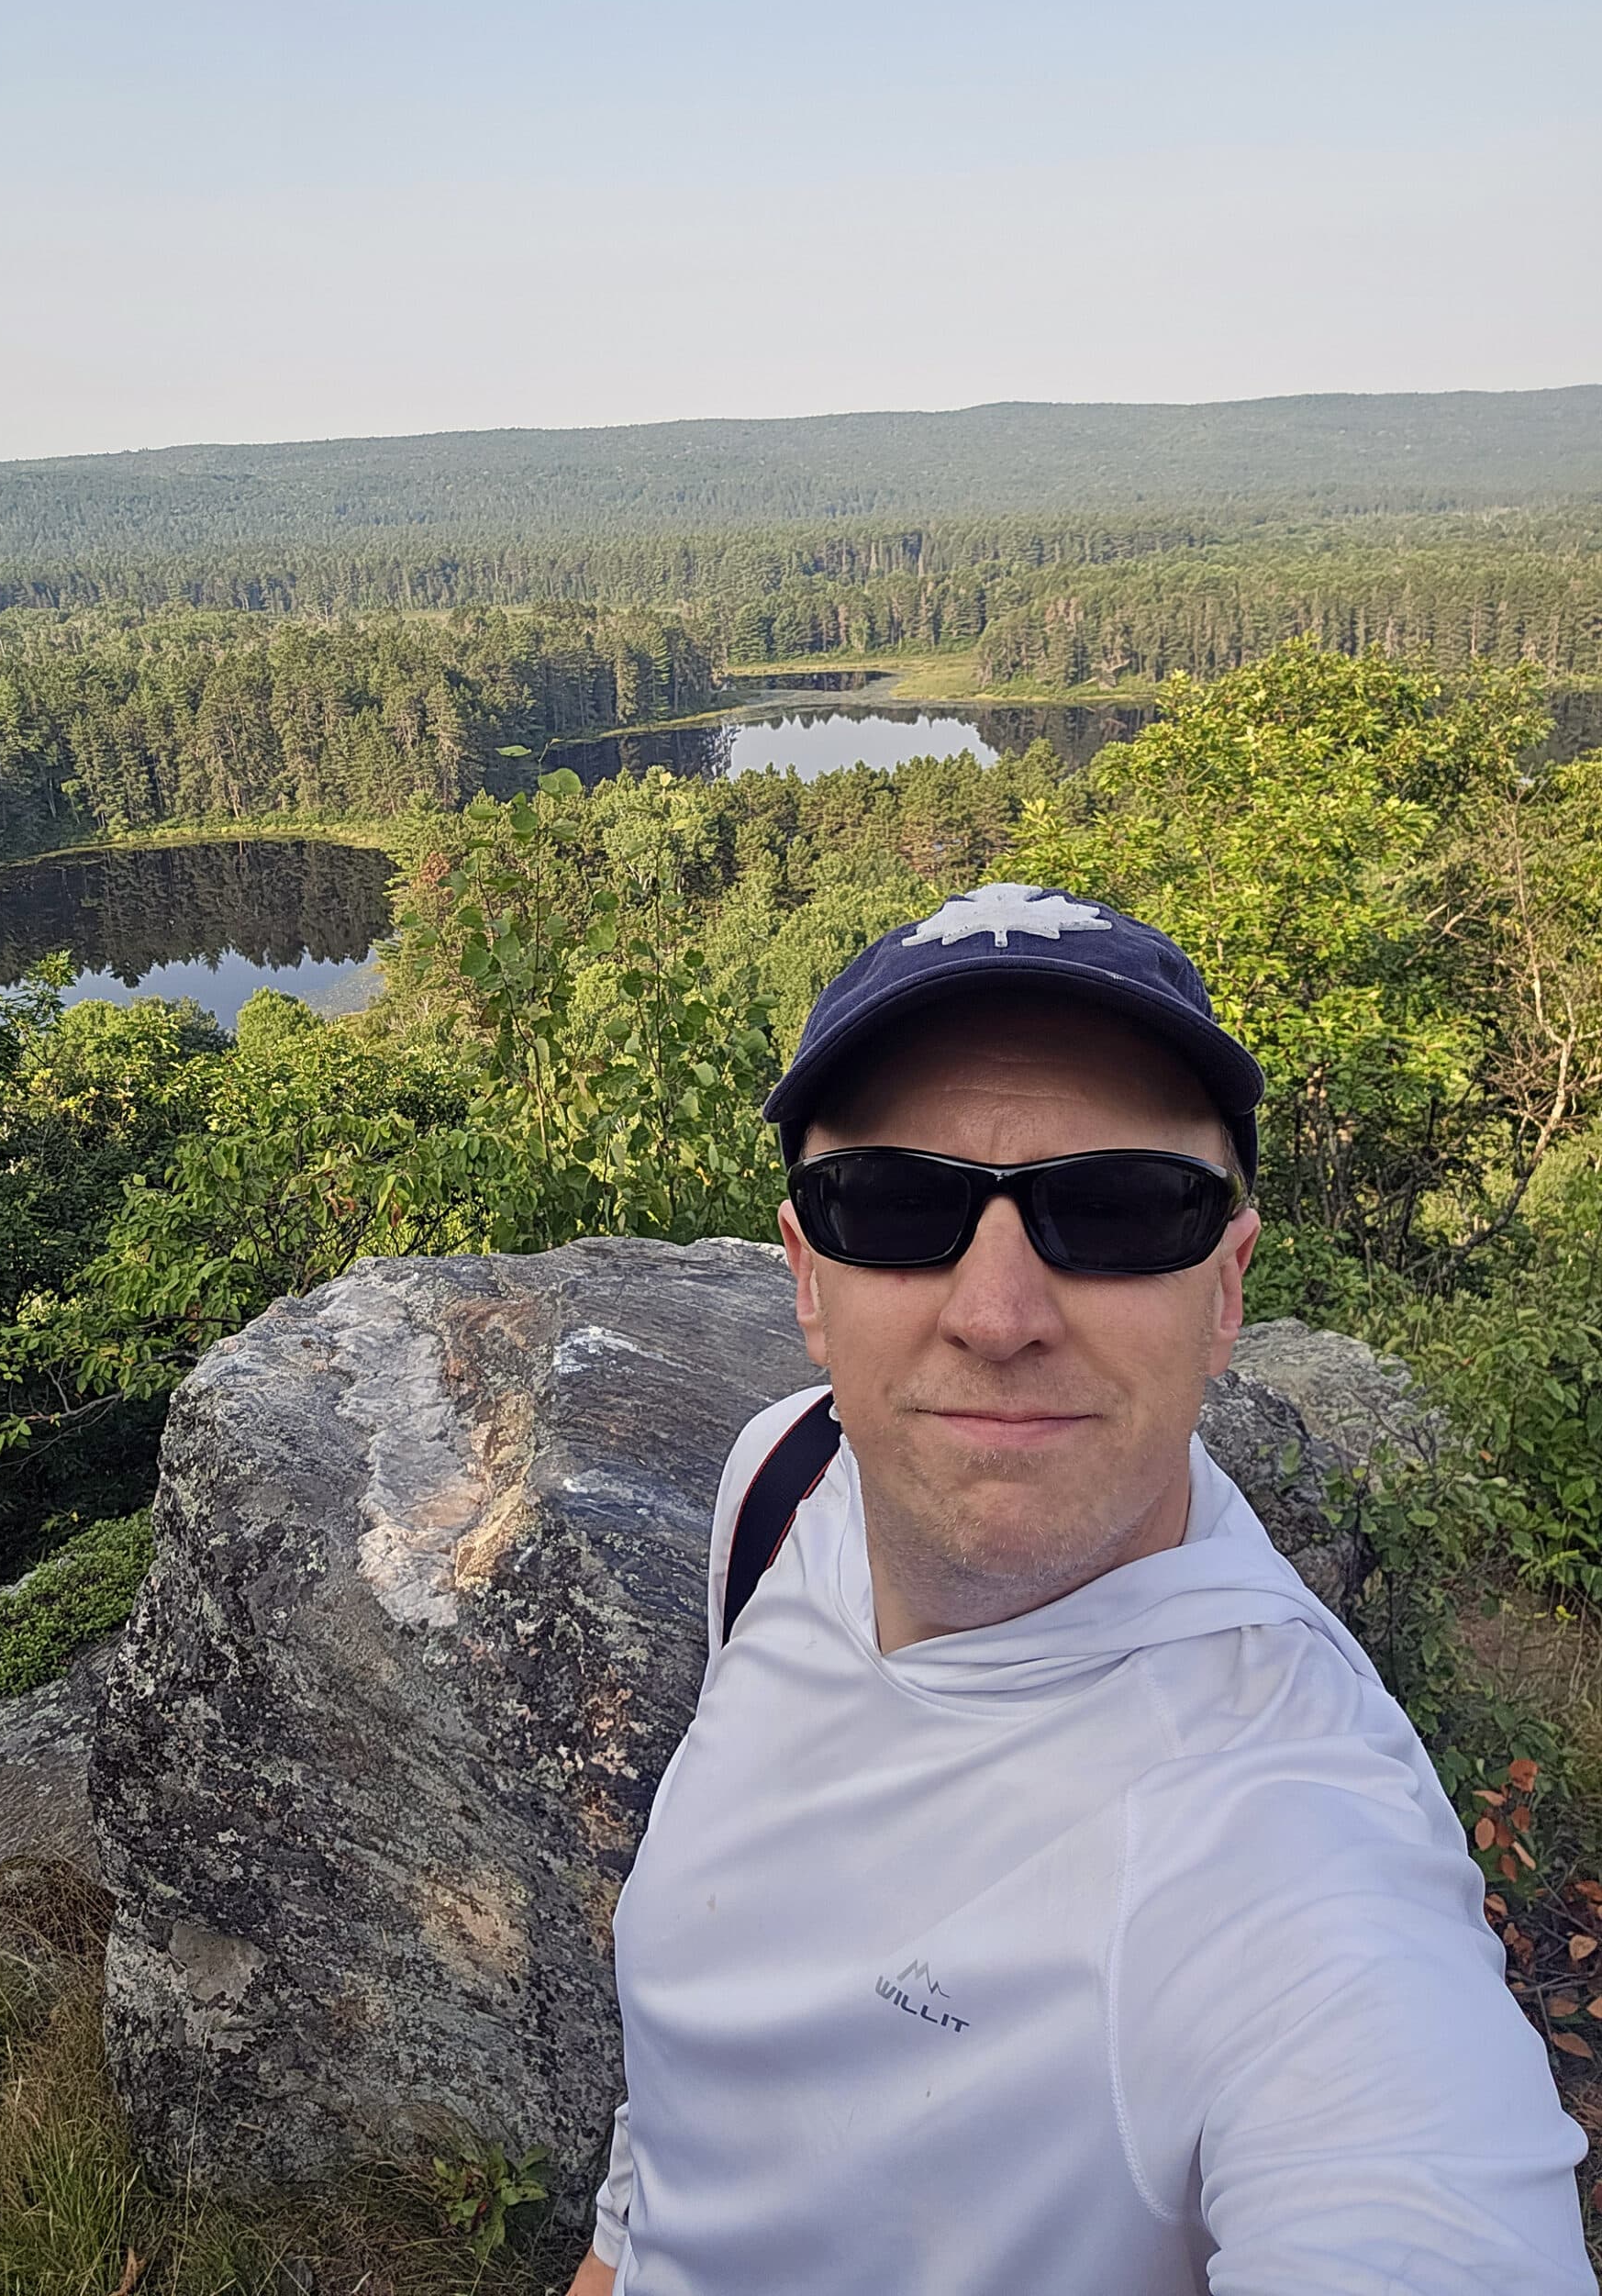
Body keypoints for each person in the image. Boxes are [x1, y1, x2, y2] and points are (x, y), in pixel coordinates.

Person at [564, 882, 1593, 2296]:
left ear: (1225, 1290)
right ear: (807, 1277)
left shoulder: (1288, 1855)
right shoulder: (789, 1481)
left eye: (1115, 1210)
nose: (997, 1315)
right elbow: (699, 2106)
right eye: (897, 1204)